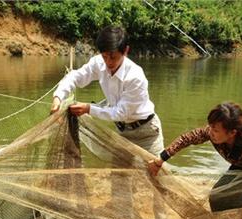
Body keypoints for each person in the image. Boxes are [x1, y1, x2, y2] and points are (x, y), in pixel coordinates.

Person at [51, 25, 164, 156]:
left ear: (125, 51)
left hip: (146, 134)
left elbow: (121, 113)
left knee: (155, 174)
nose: (108, 62)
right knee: (117, 175)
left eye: (113, 57)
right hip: (123, 132)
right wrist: (57, 97)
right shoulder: (99, 63)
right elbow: (76, 77)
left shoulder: (135, 77)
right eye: (104, 56)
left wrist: (89, 108)